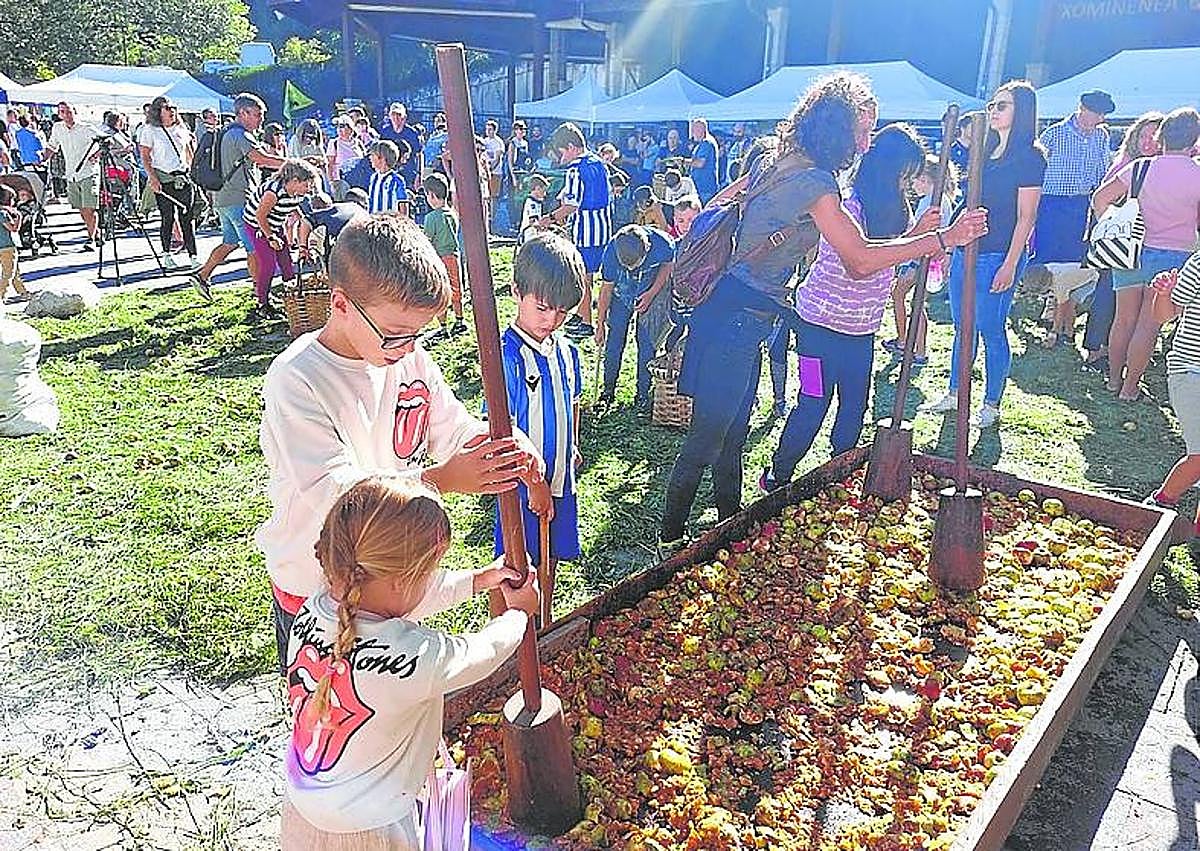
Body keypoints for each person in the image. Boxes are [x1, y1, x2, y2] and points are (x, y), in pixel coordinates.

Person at [658, 72, 987, 553]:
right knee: (710, 434)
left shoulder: (781, 159)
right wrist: (942, 240)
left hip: (734, 309)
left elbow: (719, 203)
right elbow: (859, 259)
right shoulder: (815, 182)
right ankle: (670, 542)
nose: (867, 141)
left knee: (733, 431)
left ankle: (730, 525)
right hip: (738, 318)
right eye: (863, 129)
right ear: (840, 128)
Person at [256, 215, 546, 672]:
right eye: (395, 334)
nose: (408, 348)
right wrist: (442, 480)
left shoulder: (407, 360)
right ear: (341, 303)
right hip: (318, 588)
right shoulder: (297, 379)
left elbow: (450, 425)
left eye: (418, 334)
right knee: (329, 711)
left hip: (388, 579)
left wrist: (495, 446)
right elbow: (336, 493)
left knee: (384, 704)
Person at [281, 475, 538, 848]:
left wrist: (480, 580)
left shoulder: (314, 608)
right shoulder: (412, 657)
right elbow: (480, 653)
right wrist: (518, 615)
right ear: (401, 582)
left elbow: (402, 596)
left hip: (301, 808)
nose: (432, 580)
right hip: (372, 828)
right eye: (429, 571)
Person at [763, 124, 928, 489]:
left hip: (861, 332)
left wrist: (917, 238)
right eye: (905, 176)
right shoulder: (847, 205)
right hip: (815, 329)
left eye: (912, 177)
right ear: (887, 171)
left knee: (854, 408)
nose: (909, 185)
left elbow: (892, 256)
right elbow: (861, 264)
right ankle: (779, 473)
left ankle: (839, 471)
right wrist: (917, 241)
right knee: (812, 401)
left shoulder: (901, 213)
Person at [924, 80, 1045, 429]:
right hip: (968, 249)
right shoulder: (985, 147)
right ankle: (954, 391)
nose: (993, 110)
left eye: (1002, 105)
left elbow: (1027, 216)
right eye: (993, 104)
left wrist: (1010, 263)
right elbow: (968, 201)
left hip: (999, 253)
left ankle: (991, 402)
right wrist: (951, 245)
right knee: (963, 326)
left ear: (1021, 111)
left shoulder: (1030, 156)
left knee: (990, 327)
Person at [495, 233, 586, 616]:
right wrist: (533, 483)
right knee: (515, 567)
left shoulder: (567, 351)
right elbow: (503, 431)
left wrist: (574, 445)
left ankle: (542, 623)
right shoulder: (506, 357)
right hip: (521, 490)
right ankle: (507, 639)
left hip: (561, 480)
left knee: (550, 557)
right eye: (544, 308)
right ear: (517, 291)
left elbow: (573, 403)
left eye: (562, 312)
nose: (552, 320)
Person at [1091, 107, 1200, 402]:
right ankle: (1130, 388)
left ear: (1161, 136)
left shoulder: (1139, 168)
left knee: (1122, 320)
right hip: (1174, 257)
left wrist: (1111, 225)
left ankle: (1113, 380)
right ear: (1195, 141)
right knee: (1148, 326)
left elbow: (1099, 198)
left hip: (1129, 250)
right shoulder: (1198, 175)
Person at [1080, 111, 1165, 372]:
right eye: (1144, 136)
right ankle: (1096, 348)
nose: (1148, 142)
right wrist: (1113, 225)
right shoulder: (1126, 164)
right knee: (1108, 293)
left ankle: (1122, 352)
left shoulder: (1161, 167)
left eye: (1154, 137)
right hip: (1122, 242)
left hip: (1146, 243)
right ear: (1134, 137)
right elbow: (1101, 198)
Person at [188, 93, 286, 302]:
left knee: (230, 242)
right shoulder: (241, 135)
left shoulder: (226, 132)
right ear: (242, 113)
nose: (261, 119)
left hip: (223, 198)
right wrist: (294, 164)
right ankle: (261, 294)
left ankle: (202, 275)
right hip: (239, 199)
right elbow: (262, 159)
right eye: (257, 115)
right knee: (255, 248)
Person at [884, 154, 960, 364]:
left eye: (915, 178)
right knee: (914, 301)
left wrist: (911, 263)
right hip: (925, 259)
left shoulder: (932, 202)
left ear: (926, 179)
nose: (912, 183)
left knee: (904, 298)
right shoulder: (938, 200)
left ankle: (908, 343)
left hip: (920, 260)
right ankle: (913, 345)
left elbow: (924, 235)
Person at [595, 223, 675, 413]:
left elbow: (668, 265)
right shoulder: (611, 251)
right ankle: (608, 391)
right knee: (614, 341)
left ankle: (642, 395)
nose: (631, 270)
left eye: (635, 266)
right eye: (626, 267)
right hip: (620, 297)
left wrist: (651, 293)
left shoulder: (663, 243)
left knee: (647, 344)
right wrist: (599, 325)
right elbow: (606, 290)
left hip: (649, 294)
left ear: (647, 249)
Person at [1145, 262, 1200, 539]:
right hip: (1191, 370)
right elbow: (1163, 315)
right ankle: (1158, 506)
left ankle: (1197, 534)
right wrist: (1164, 294)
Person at [543, 122, 612, 339]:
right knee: (589, 274)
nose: (561, 156)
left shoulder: (575, 169)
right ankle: (583, 314)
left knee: (583, 275)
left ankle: (587, 322)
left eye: (562, 151)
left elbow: (572, 205)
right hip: (603, 227)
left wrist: (550, 219)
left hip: (586, 230)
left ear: (571, 147)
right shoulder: (599, 163)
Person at [1033, 90, 1113, 272]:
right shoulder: (1054, 133)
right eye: (1098, 114)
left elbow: (1102, 169)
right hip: (1050, 200)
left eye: (1103, 115)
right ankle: (1040, 288)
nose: (1101, 119)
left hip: (1081, 201)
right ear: (1083, 109)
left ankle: (1066, 292)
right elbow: (1035, 166)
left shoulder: (1101, 136)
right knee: (1047, 245)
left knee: (1073, 248)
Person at [242, 158, 320, 316]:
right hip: (258, 225)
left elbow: (294, 207)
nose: (308, 189)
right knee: (269, 264)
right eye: (306, 185)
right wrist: (271, 237)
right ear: (294, 181)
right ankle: (262, 303)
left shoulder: (297, 193)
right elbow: (260, 216)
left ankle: (292, 294)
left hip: (275, 224)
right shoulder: (274, 192)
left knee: (286, 262)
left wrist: (303, 221)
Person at [139, 95, 198, 271]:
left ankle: (193, 255)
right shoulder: (150, 130)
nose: (172, 111)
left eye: (173, 107)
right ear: (158, 111)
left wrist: (194, 173)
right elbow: (145, 156)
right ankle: (167, 254)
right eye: (167, 108)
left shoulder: (182, 128)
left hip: (183, 177)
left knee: (187, 217)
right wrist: (153, 178)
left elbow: (189, 153)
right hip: (164, 177)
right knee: (167, 217)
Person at [43, 102, 99, 250]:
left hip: (89, 172)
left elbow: (105, 142)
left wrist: (96, 154)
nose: (67, 115)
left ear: (75, 112)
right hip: (71, 174)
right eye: (63, 112)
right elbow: (52, 146)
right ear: (59, 114)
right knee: (81, 208)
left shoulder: (86, 128)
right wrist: (43, 159)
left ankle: (91, 239)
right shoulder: (58, 128)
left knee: (89, 207)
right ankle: (95, 231)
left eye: (69, 112)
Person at [421, 173, 464, 336]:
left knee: (441, 290)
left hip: (439, 258)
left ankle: (443, 326)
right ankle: (460, 320)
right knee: (456, 289)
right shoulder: (452, 213)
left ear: (431, 195)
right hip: (454, 255)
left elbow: (428, 240)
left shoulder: (430, 218)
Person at [296, 191, 366, 264]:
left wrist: (303, 248)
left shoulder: (335, 209)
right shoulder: (364, 214)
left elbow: (305, 222)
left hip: (338, 254)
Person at [379, 102, 423, 190]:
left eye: (399, 114)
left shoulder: (412, 133)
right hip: (390, 173)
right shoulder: (385, 132)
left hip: (409, 174)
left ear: (404, 117)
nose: (396, 118)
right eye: (393, 114)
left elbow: (419, 155)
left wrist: (419, 175)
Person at [0, 185, 29, 303]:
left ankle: (23, 292)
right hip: (8, 247)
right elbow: (13, 228)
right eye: (12, 199)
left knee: (15, 271)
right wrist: (19, 218)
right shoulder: (3, 214)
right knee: (9, 274)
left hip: (2, 246)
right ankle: (1, 295)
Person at [366, 139, 408, 216]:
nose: (370, 158)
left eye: (373, 155)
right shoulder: (373, 178)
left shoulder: (396, 180)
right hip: (373, 221)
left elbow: (403, 204)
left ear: (382, 158)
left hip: (389, 223)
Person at [688, 118, 719, 203]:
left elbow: (700, 163)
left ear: (700, 129)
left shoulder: (706, 143)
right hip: (701, 187)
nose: (692, 133)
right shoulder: (702, 144)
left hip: (705, 188)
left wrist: (683, 162)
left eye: (694, 129)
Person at [326, 117, 365, 185]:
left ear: (350, 128)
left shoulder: (358, 143)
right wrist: (331, 182)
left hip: (359, 179)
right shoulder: (334, 143)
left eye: (342, 126)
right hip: (342, 181)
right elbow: (330, 164)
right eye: (338, 127)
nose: (339, 129)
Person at [519, 173, 549, 244]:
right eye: (543, 191)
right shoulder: (532, 203)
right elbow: (533, 221)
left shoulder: (538, 202)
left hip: (534, 236)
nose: (545, 194)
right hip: (529, 237)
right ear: (537, 188)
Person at [481, 119, 505, 202]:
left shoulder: (499, 142)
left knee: (493, 196)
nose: (488, 131)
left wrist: (491, 169)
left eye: (490, 129)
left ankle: (493, 214)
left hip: (495, 172)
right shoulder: (485, 141)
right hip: (485, 172)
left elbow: (497, 158)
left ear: (495, 130)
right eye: (487, 129)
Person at [507, 119, 532, 192]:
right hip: (515, 172)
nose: (523, 131)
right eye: (521, 129)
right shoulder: (513, 143)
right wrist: (513, 177)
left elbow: (526, 157)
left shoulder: (525, 143)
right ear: (515, 130)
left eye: (524, 129)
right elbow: (510, 161)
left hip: (523, 171)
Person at [423, 112, 448, 179]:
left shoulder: (447, 135)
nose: (436, 123)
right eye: (435, 121)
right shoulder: (432, 135)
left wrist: (439, 158)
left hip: (440, 166)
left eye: (439, 121)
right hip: (428, 164)